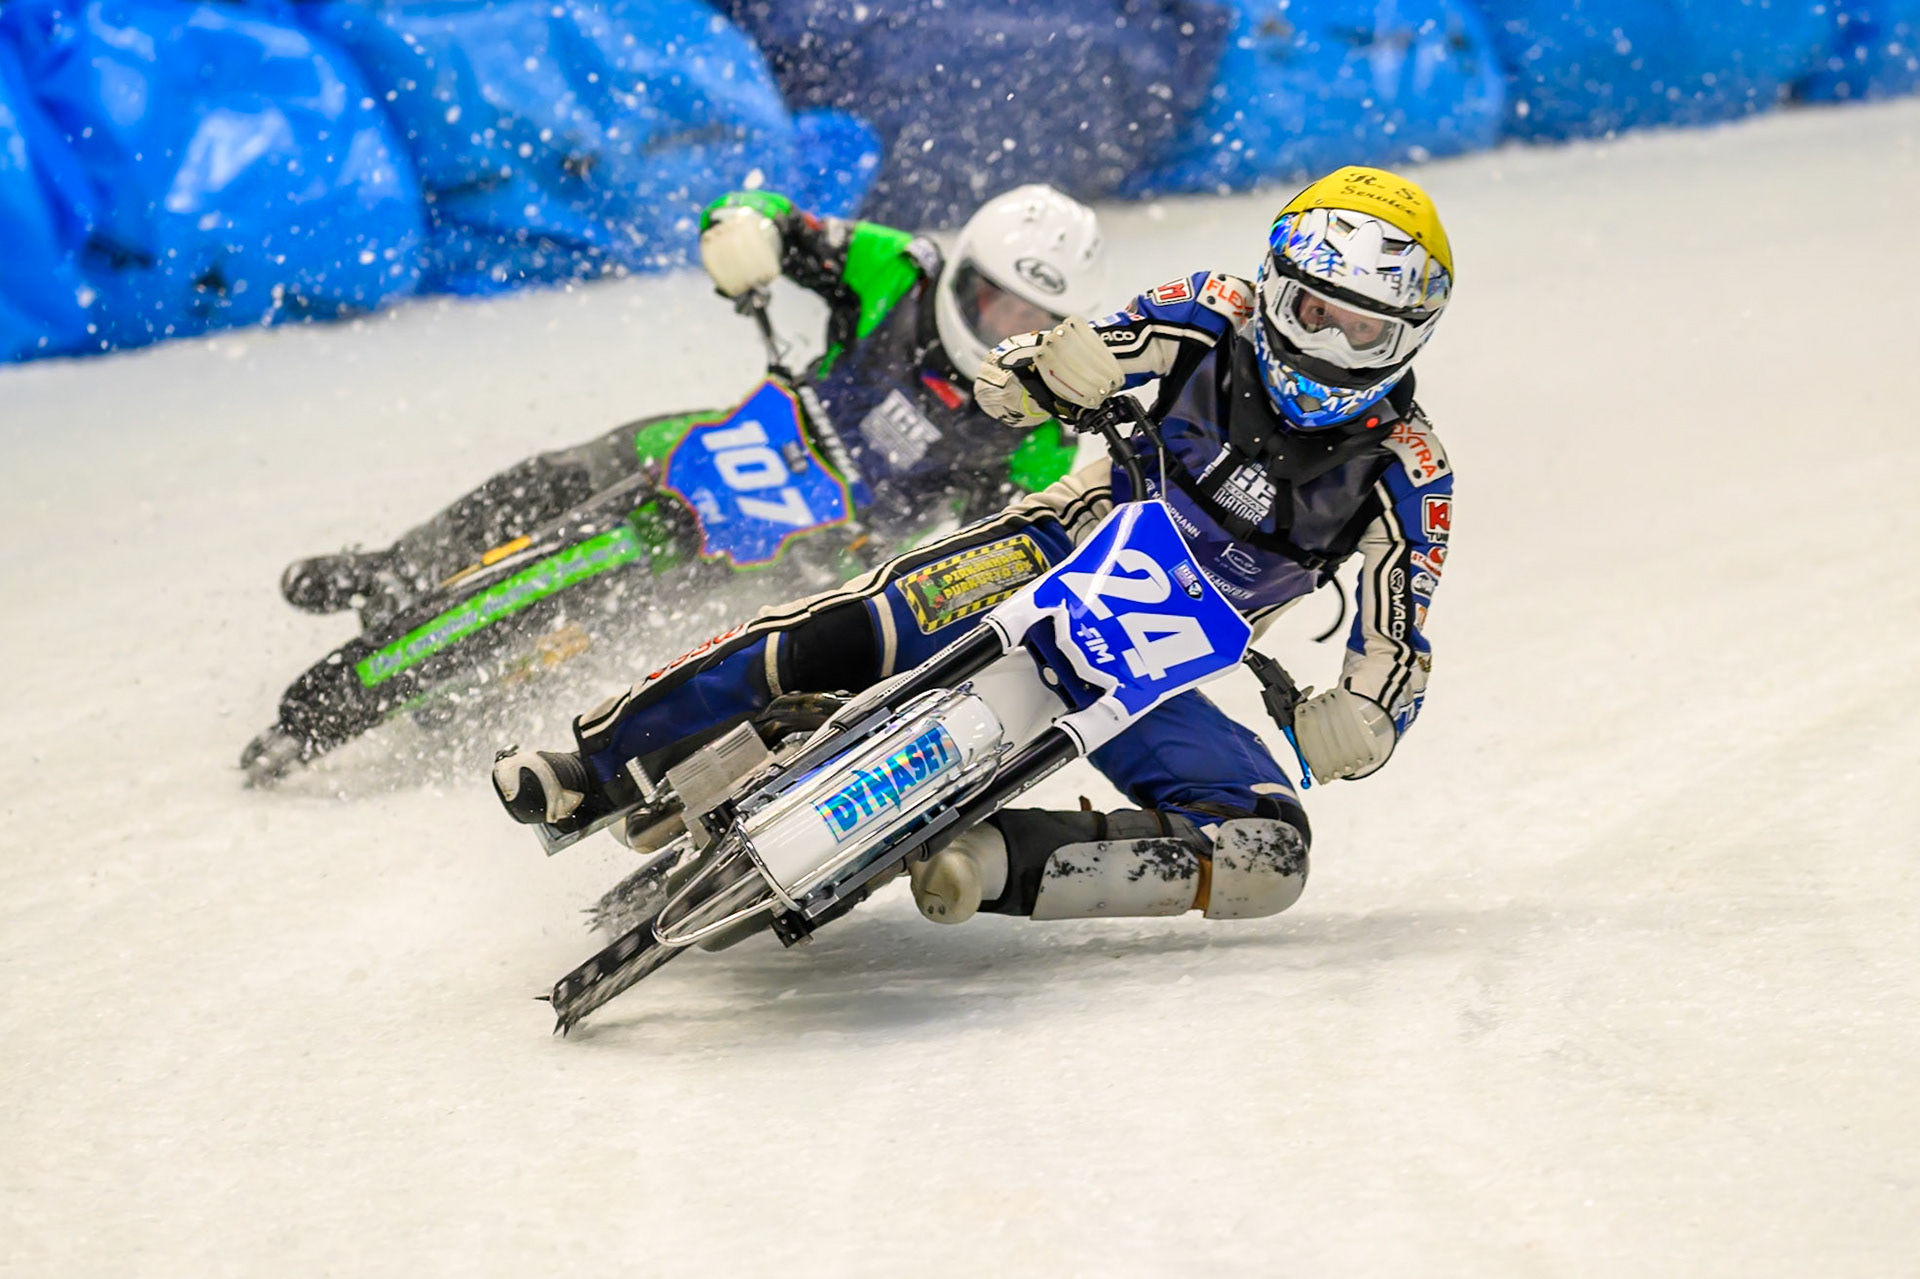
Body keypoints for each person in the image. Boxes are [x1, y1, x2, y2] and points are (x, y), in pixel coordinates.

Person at [492, 165, 1455, 931]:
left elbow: (1399, 636)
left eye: (1361, 324)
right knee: (853, 624)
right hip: (1052, 550)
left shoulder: (1411, 471)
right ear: (1279, 285)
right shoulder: (1213, 310)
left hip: (1156, 674)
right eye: (1315, 306)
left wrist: (1366, 718)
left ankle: (989, 862)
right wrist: (1048, 370)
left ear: (1407, 333)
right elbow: (1061, 357)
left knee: (1268, 848)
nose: (1327, 339)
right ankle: (593, 764)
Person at [277, 184, 1107, 629]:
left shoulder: (1040, 422)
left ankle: (514, 688)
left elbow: (1013, 545)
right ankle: (396, 565)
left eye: (1032, 320)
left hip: (823, 554)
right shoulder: (899, 266)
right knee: (572, 467)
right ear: (963, 274)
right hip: (746, 440)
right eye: (996, 304)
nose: (1007, 328)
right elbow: (774, 219)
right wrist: (744, 226)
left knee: (665, 625)